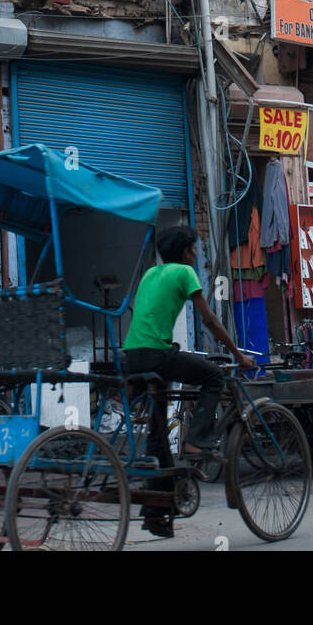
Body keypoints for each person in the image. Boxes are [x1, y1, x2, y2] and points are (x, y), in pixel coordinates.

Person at [123, 224, 254, 537]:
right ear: (185, 252)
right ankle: (196, 441)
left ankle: (157, 513)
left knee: (156, 435)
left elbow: (148, 317)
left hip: (132, 357)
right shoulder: (184, 272)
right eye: (194, 250)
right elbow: (208, 318)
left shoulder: (150, 274)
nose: (196, 255)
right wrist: (237, 354)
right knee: (212, 376)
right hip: (157, 356)